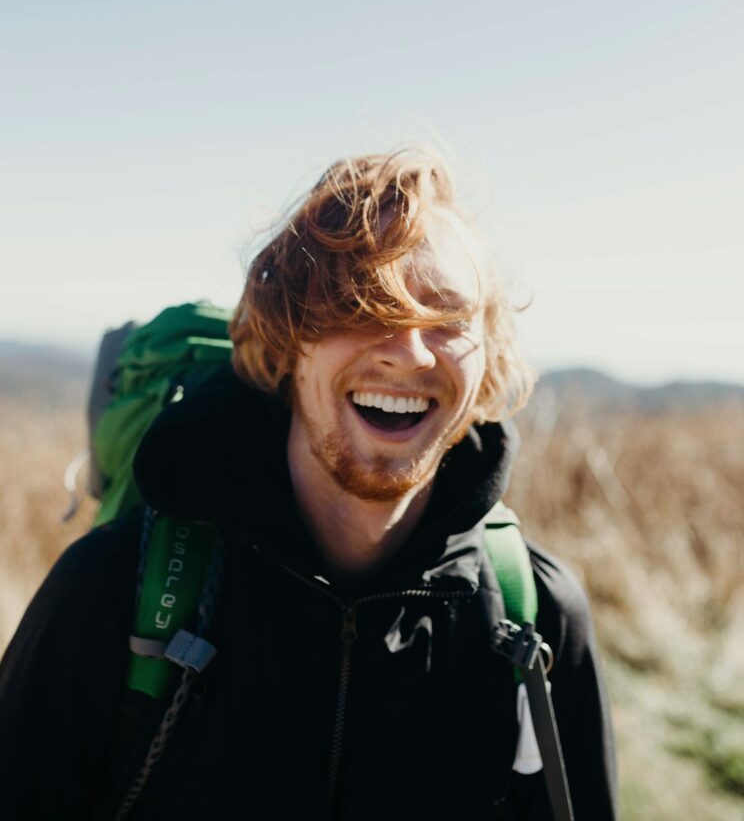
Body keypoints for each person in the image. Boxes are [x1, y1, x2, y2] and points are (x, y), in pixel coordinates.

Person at [0, 149, 617, 820]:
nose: (407, 351)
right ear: (288, 339)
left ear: (487, 353)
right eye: (361, 303)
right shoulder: (116, 592)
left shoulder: (535, 620)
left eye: (447, 317)